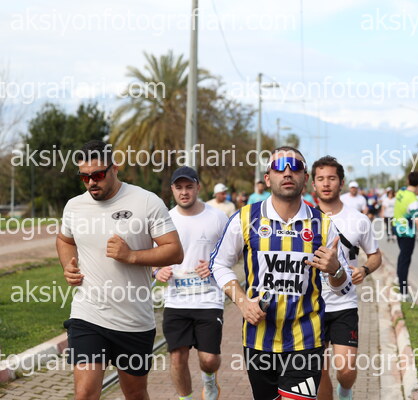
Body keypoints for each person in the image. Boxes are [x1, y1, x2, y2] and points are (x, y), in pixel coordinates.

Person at [209, 146, 352, 400]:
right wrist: (242, 302)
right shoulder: (246, 218)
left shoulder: (322, 224)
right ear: (268, 178)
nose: (287, 172)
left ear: (305, 178)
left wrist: (336, 269)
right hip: (258, 338)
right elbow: (218, 264)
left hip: (306, 339)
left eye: (295, 167)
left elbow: (343, 286)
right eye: (279, 167)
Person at [56, 140, 184, 400]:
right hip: (88, 314)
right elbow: (64, 240)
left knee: (135, 394)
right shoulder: (74, 206)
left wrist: (131, 255)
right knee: (84, 393)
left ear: (115, 168)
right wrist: (68, 265)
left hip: (133, 321)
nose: (91, 182)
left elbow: (175, 251)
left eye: (98, 175)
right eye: (84, 177)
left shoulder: (146, 202)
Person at [154, 167, 229, 400]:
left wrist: (214, 265)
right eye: (179, 188)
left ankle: (209, 380)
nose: (184, 192)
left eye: (189, 187)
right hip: (176, 300)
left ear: (198, 187)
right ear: (172, 190)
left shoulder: (217, 217)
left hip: (209, 298)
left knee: (209, 359)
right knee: (177, 356)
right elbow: (153, 254)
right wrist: (157, 270)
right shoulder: (165, 219)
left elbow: (233, 251)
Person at [310, 156, 381, 400]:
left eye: (331, 178)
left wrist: (365, 269)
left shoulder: (358, 220)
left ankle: (346, 391)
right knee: (319, 371)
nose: (326, 183)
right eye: (320, 179)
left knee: (346, 370)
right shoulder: (303, 219)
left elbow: (375, 255)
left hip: (344, 304)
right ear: (313, 184)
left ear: (341, 183)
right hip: (311, 306)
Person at [393, 172, 418, 299]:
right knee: (405, 260)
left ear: (408, 180)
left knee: (402, 257)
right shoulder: (414, 201)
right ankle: (403, 293)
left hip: (397, 228)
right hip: (407, 233)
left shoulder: (401, 191)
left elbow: (409, 187)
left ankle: (399, 278)